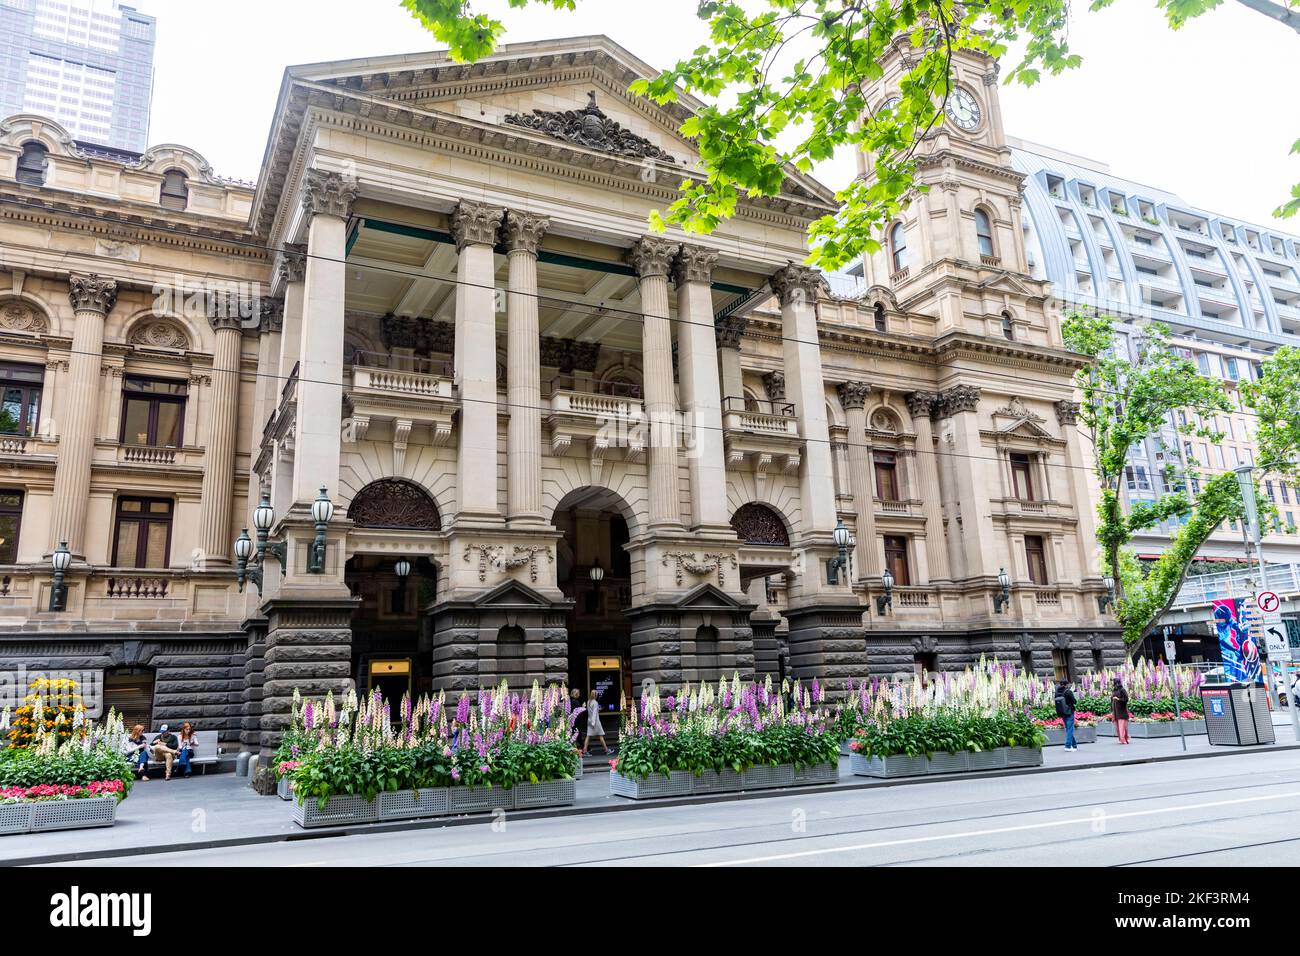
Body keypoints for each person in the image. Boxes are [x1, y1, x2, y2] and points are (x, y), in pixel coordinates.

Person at [1054, 679, 1078, 751]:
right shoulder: (1068, 692)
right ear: (1066, 684)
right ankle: (1067, 746)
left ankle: (1074, 745)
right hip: (1069, 712)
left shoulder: (1057, 692)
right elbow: (1074, 701)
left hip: (1062, 712)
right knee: (1070, 729)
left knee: (1068, 729)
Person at [584, 692, 609, 756]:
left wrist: (598, 709)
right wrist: (593, 723)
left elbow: (590, 711)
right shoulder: (595, 702)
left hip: (589, 721)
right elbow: (594, 713)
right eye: (597, 695)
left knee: (588, 736)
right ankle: (606, 750)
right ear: (596, 695)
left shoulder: (588, 701)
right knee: (600, 735)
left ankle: (585, 751)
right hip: (595, 722)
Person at [1110, 677, 1131, 745]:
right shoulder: (1114, 690)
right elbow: (1111, 701)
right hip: (1115, 712)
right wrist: (1112, 710)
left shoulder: (1122, 690)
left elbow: (1126, 699)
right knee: (1117, 727)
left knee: (1122, 727)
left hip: (1122, 712)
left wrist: (1118, 699)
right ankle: (1123, 738)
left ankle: (1123, 739)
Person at [569, 688, 588, 754]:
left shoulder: (570, 701)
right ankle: (583, 750)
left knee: (575, 735)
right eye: (578, 694)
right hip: (576, 721)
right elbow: (578, 712)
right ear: (576, 694)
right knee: (578, 735)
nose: (579, 695)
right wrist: (583, 707)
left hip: (571, 721)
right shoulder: (576, 702)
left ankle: (580, 749)